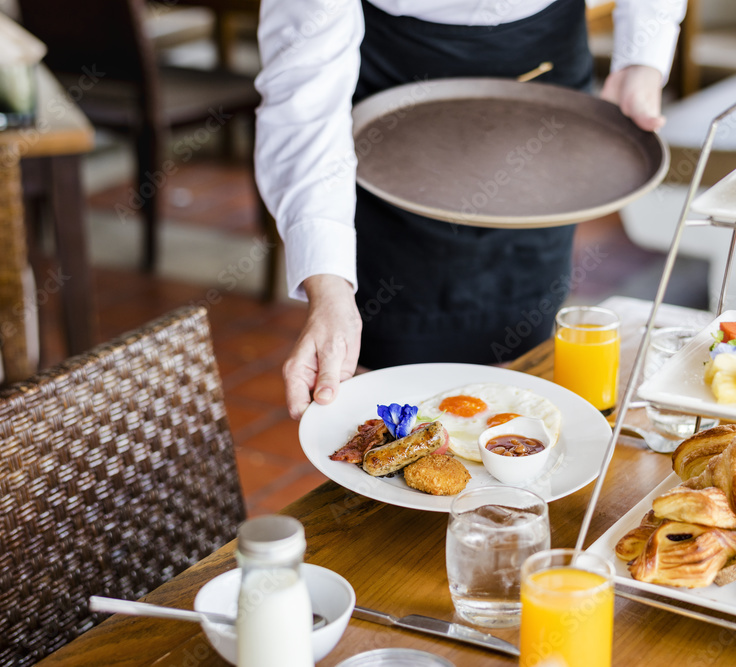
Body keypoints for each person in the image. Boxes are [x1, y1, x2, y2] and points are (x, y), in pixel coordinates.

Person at [255, 0, 687, 420]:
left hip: (542, 85)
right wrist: (330, 290)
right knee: (393, 379)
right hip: (396, 97)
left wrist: (642, 58)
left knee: (525, 341)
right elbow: (303, 101)